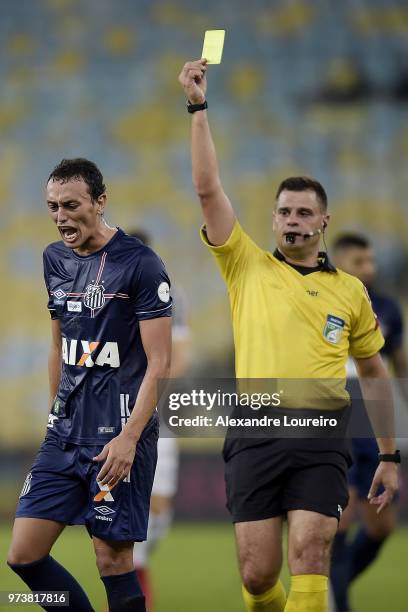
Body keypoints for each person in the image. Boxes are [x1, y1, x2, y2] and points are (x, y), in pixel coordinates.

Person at [178, 59, 400, 612]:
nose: (293, 220)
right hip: (255, 431)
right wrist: (198, 108)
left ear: (323, 222)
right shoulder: (245, 265)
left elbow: (375, 372)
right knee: (257, 577)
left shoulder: (350, 291)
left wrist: (392, 455)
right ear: (273, 220)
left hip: (321, 435)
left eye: (304, 212)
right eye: (284, 212)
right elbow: (208, 191)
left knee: (312, 549)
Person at [7, 158, 172, 612]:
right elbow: (58, 345)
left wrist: (130, 438)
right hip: (64, 433)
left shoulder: (141, 264)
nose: (60, 215)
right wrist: (52, 414)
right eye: (52, 206)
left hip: (115, 436)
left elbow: (161, 362)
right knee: (23, 556)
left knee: (113, 561)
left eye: (71, 204)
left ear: (100, 202)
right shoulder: (54, 259)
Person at [330, 233, 408, 612]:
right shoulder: (324, 295)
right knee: (339, 519)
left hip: (374, 417)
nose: (369, 269)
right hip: (336, 412)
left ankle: (331, 587)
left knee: (382, 525)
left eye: (372, 261)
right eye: (361, 261)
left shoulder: (389, 309)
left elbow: (399, 361)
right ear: (341, 261)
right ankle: (337, 603)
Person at [129, 230, 192, 611]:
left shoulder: (169, 294)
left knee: (159, 508)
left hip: (159, 414)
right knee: (122, 503)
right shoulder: (101, 294)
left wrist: (153, 390)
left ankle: (136, 574)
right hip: (115, 416)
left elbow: (179, 352)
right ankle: (134, 594)